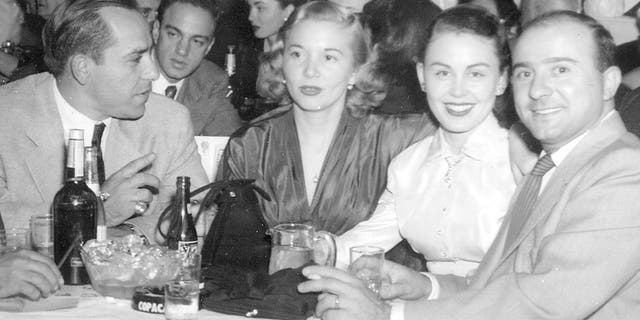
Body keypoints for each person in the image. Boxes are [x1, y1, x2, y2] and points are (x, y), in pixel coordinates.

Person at [299, 10, 640, 320]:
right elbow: (496, 285)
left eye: (561, 69)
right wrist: (425, 286)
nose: (538, 90)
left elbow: (543, 301)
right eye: (527, 72)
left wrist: (389, 314)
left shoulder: (623, 169)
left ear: (610, 81)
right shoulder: (552, 167)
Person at [219, 1, 435, 236]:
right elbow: (233, 253)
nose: (310, 71)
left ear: (355, 70)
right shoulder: (249, 145)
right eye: (297, 54)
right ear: (283, 65)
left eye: (329, 57)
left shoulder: (394, 139)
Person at [0, 0, 208, 243]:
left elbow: (198, 217)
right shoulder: (7, 117)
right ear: (82, 68)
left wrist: (125, 234)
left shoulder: (169, 119)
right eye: (135, 59)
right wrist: (98, 213)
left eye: (150, 53)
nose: (152, 72)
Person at [336, 5, 518, 276]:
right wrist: (313, 248)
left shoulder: (522, 163)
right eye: (443, 73)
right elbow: (359, 246)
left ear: (502, 80)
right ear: (422, 76)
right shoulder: (408, 166)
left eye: (476, 73)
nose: (457, 91)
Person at [152, 0, 243, 136]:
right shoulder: (125, 72)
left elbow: (233, 145)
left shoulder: (211, 81)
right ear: (156, 31)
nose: (182, 50)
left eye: (196, 41)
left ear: (209, 47)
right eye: (173, 34)